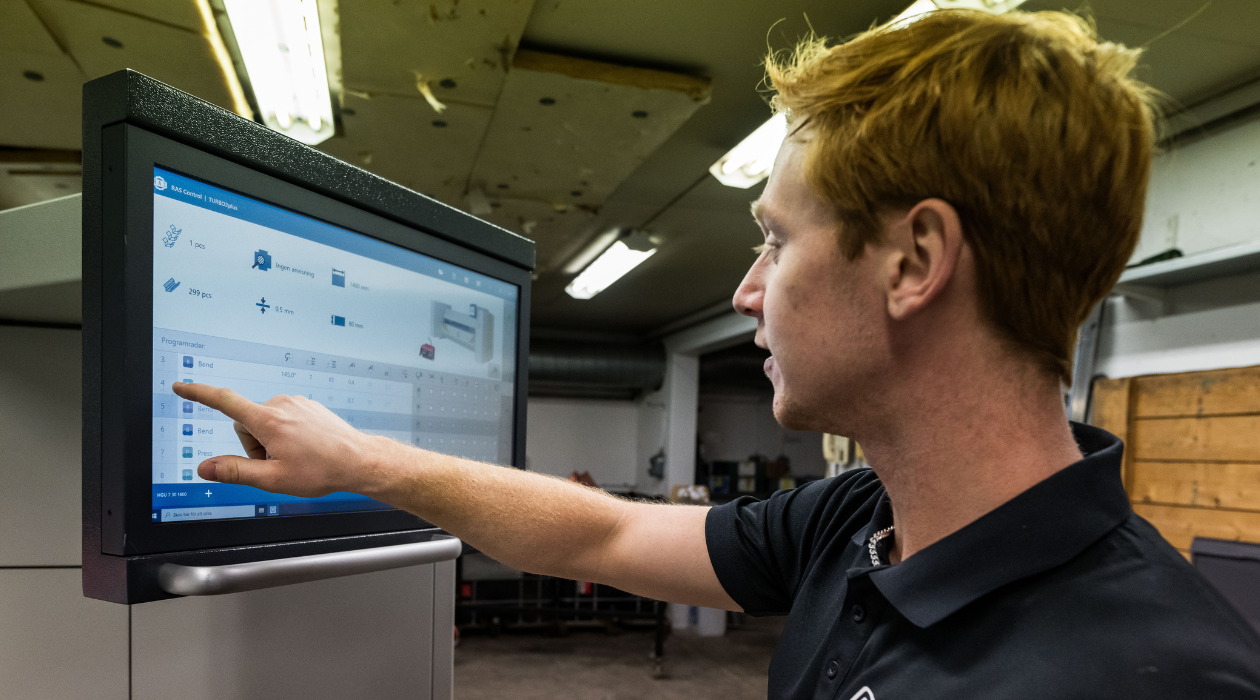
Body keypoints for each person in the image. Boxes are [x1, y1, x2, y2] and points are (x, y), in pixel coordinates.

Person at [173, 9, 1260, 699]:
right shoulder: (859, 520)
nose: (746, 291)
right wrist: (362, 461)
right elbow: (603, 529)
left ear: (914, 260)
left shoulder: (1153, 676)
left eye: (776, 241)